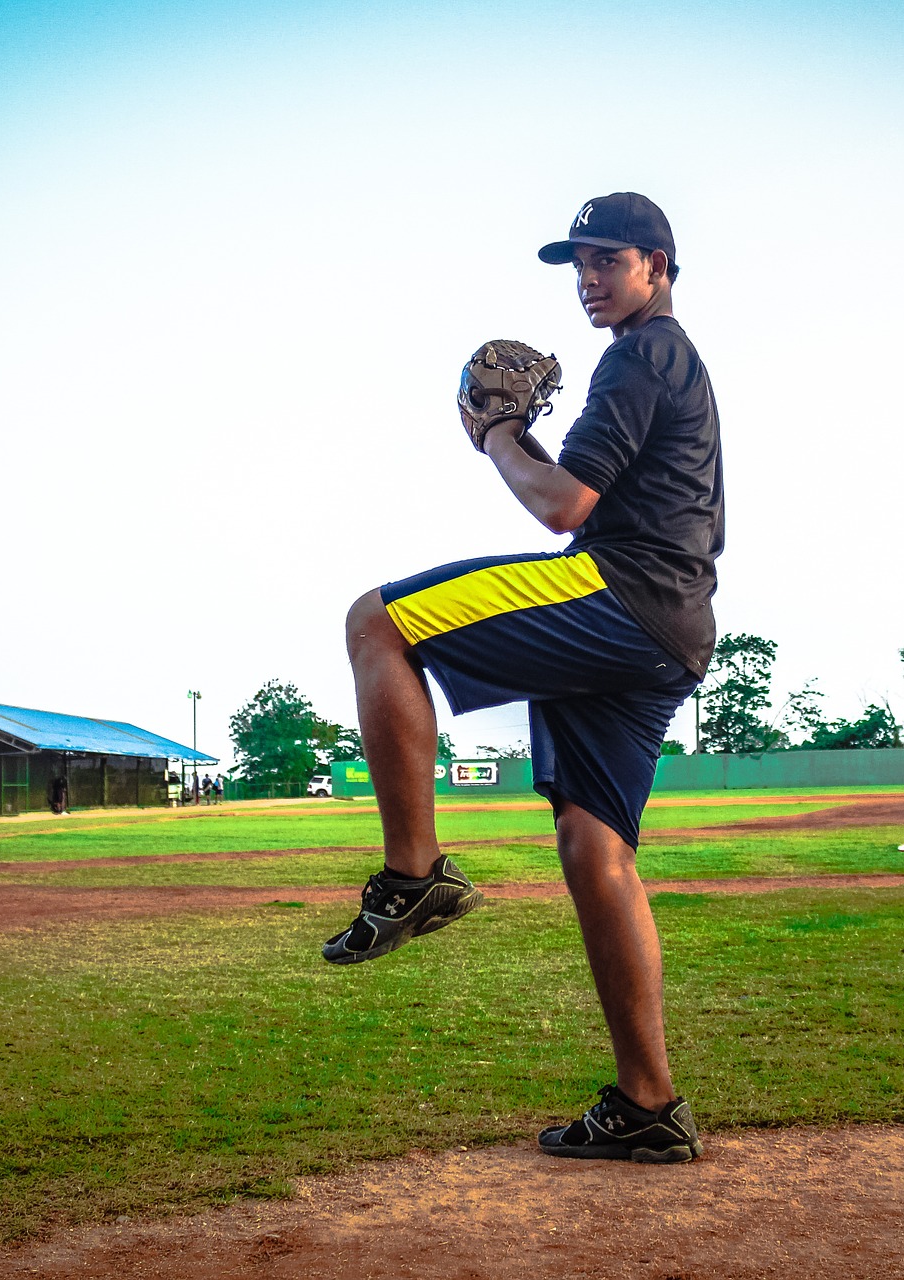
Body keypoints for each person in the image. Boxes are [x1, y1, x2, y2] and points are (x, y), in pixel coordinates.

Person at [330, 193, 723, 1164]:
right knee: (596, 852)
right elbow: (579, 489)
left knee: (377, 620)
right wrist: (524, 440)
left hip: (621, 593)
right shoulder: (655, 360)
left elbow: (561, 508)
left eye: (608, 260)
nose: (588, 278)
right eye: (577, 262)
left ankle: (412, 876)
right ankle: (647, 1102)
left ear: (659, 265)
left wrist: (497, 435)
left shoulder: (643, 352)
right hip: (668, 624)